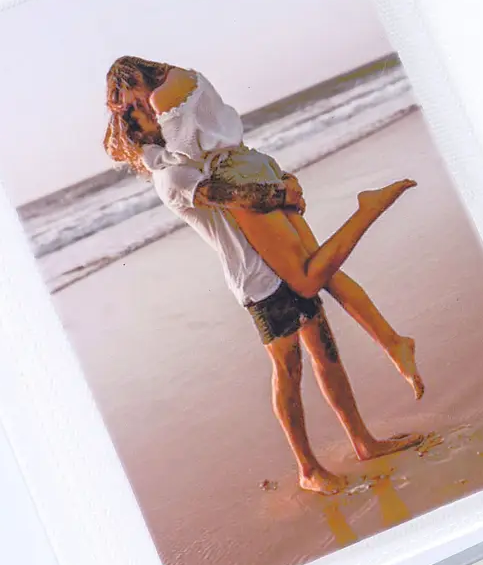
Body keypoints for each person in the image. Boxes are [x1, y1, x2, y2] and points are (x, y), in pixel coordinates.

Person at [103, 57, 425, 495]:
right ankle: (308, 469)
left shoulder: (193, 152)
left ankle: (363, 441)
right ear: (139, 134)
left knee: (326, 354)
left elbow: (239, 166)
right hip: (257, 281)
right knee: (289, 369)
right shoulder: (172, 174)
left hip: (277, 259)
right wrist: (285, 190)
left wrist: (282, 181)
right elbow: (241, 197)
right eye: (143, 114)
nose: (153, 113)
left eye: (147, 108)